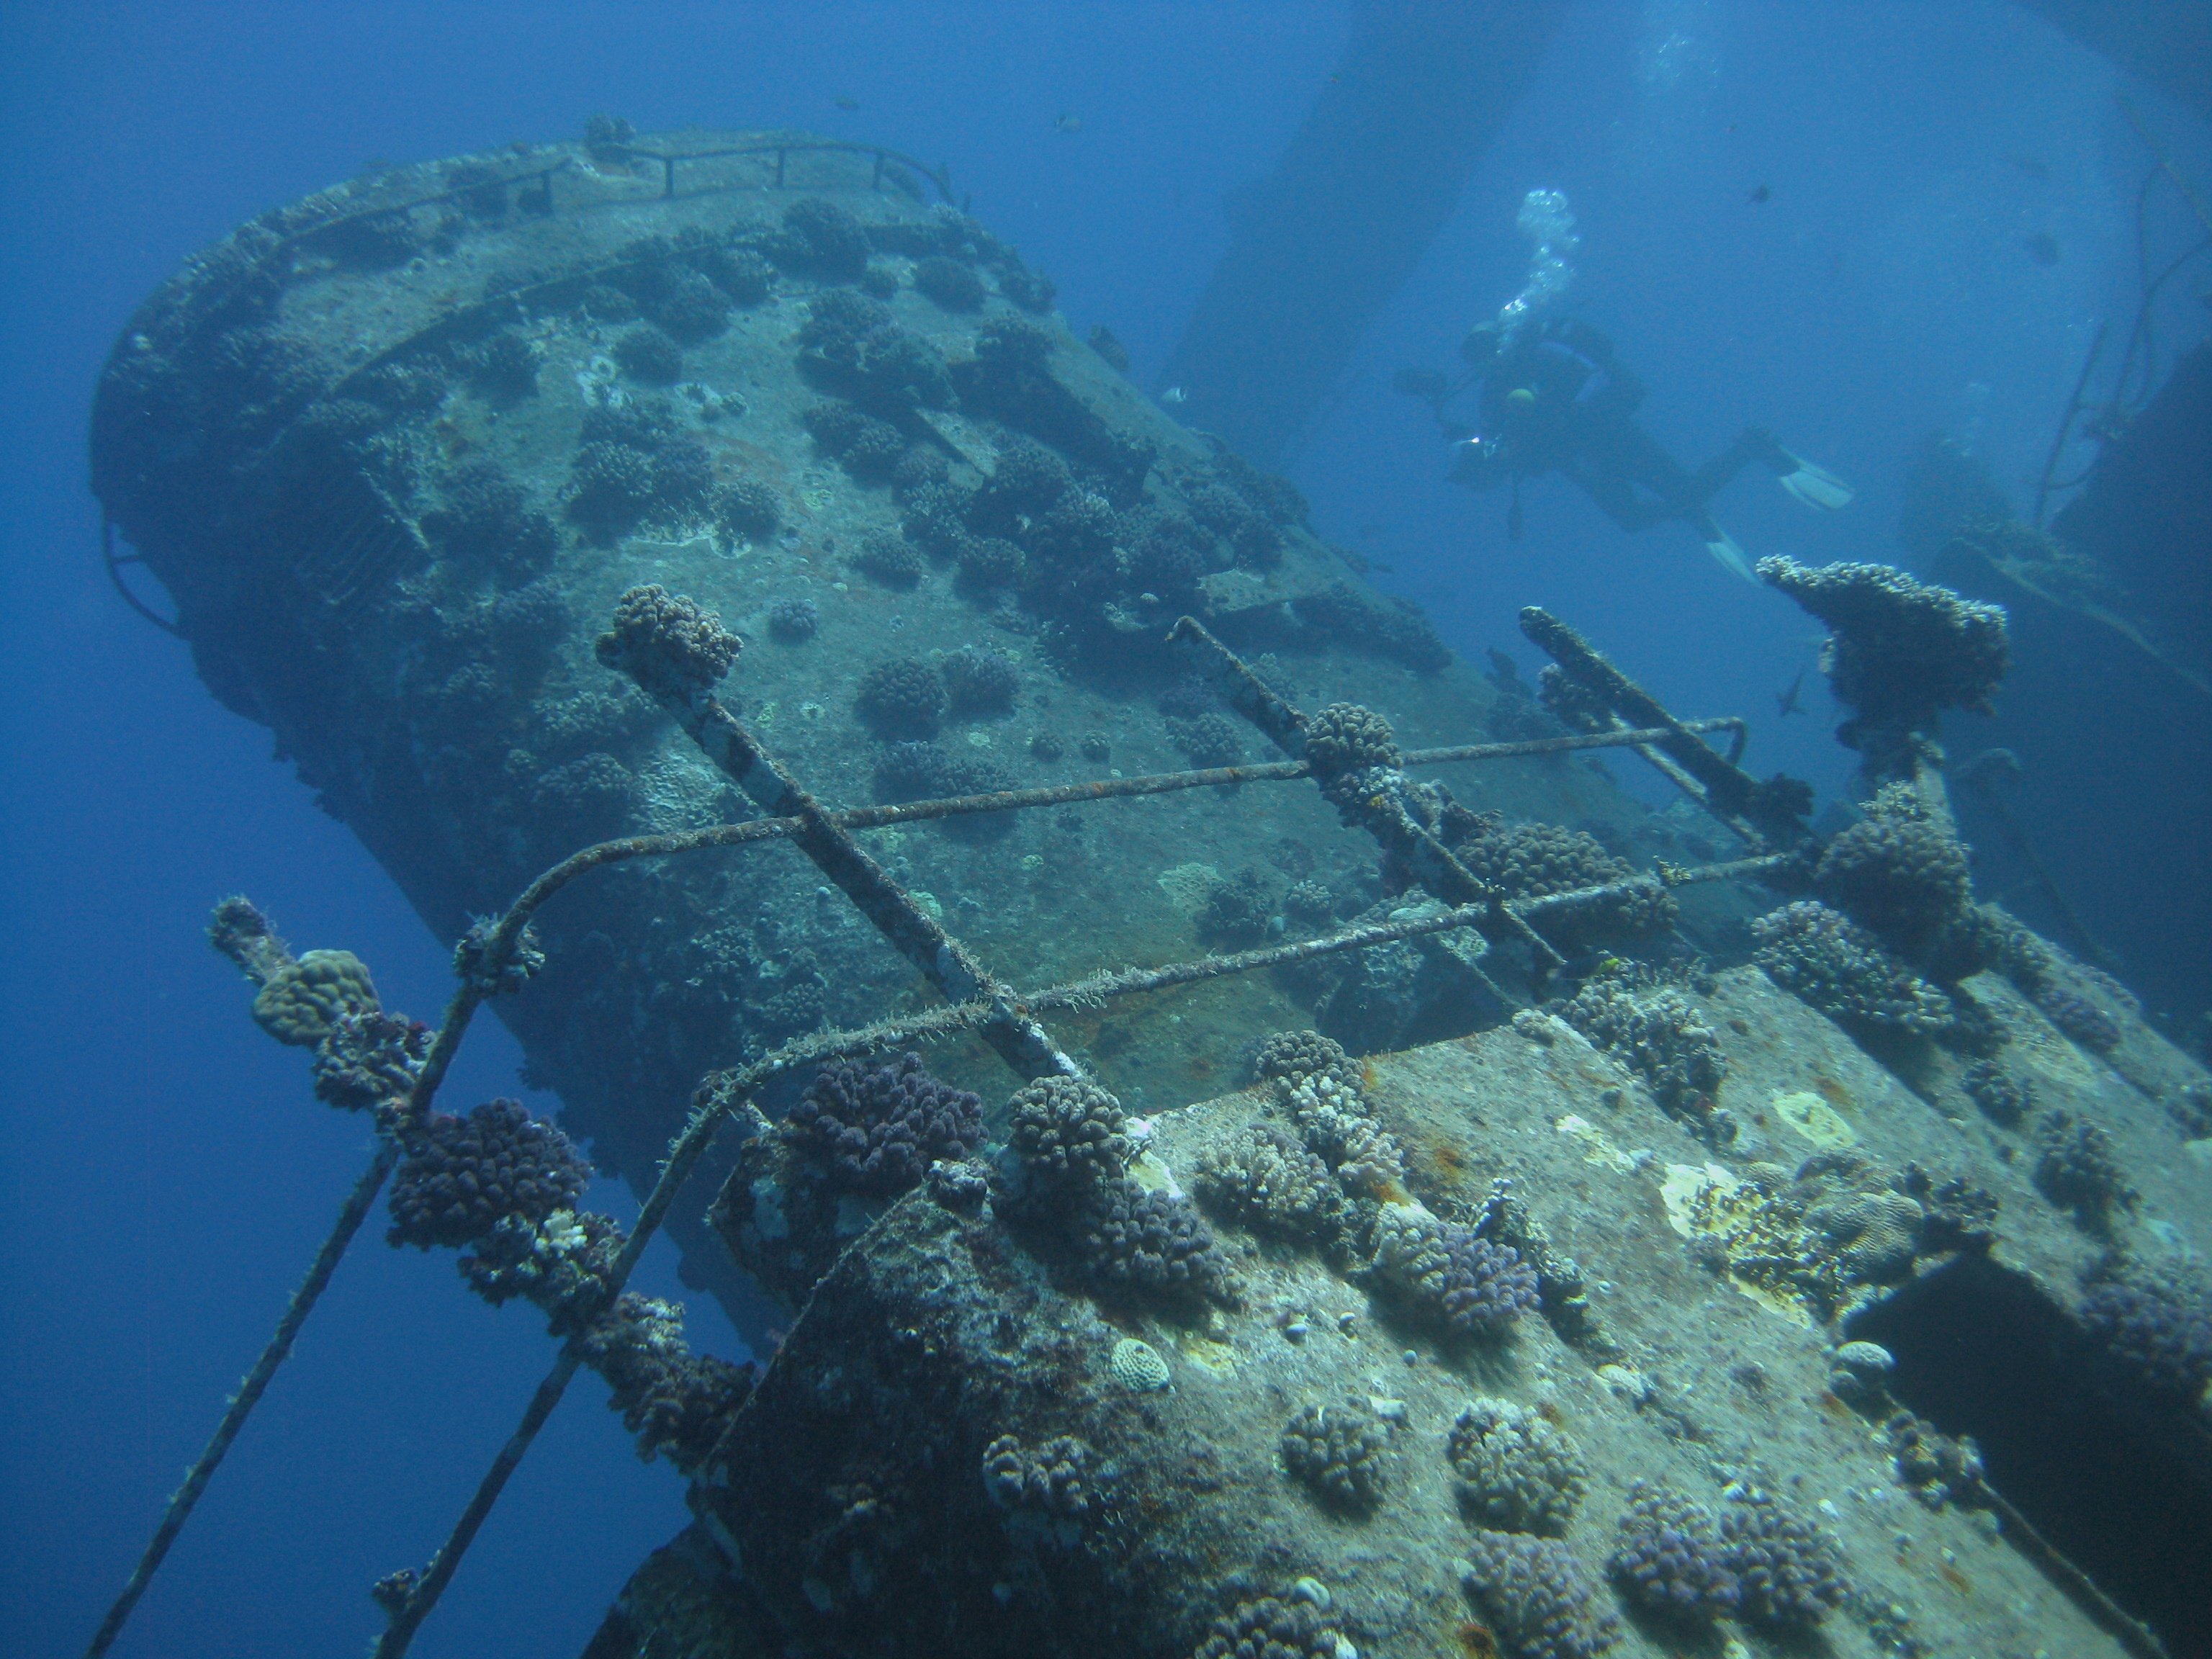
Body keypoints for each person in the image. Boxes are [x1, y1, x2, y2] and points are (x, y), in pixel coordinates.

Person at [1398, 315, 1853, 578]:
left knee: (1683, 493)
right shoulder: (1489, 399)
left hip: (1613, 437)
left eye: (1487, 349)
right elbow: (1507, 446)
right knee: (1633, 519)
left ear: (1501, 340)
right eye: (1477, 358)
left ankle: (1752, 450)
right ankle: (1694, 508)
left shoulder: (1538, 359)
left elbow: (1596, 387)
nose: (1486, 361)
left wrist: (1545, 430)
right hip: (1584, 458)